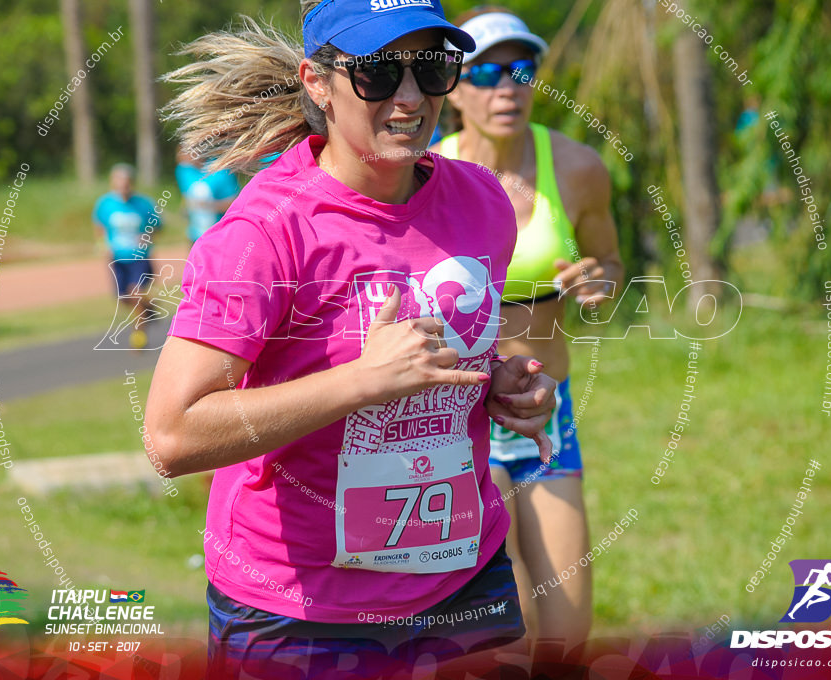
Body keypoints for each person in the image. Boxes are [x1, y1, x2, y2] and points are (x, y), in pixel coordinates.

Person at [148, 0, 561, 676]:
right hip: (303, 609)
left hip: (465, 577)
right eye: (376, 73)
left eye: (431, 68)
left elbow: (448, 360)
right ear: (318, 82)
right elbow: (171, 435)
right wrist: (361, 382)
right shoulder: (266, 233)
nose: (409, 96)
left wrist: (504, 389)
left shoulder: (481, 201)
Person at [431, 7, 625, 649]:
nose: (505, 86)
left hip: (547, 413)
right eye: (484, 72)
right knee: (494, 633)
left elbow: (612, 263)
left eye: (519, 69)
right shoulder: (425, 173)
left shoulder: (576, 168)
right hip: (457, 416)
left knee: (568, 630)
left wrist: (600, 282)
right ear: (454, 88)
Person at [92, 163, 162, 348]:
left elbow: (157, 226)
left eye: (127, 181)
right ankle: (149, 308)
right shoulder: (105, 204)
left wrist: (146, 236)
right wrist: (102, 245)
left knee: (136, 293)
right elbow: (99, 226)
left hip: (139, 258)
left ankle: (139, 336)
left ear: (132, 183)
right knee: (122, 298)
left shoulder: (143, 203)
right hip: (117, 259)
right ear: (113, 182)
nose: (123, 185)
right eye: (119, 181)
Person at [174, 144, 242, 245]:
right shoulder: (183, 171)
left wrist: (209, 206)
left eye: (185, 153)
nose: (180, 157)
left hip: (220, 235)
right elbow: (188, 196)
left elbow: (236, 204)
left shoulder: (221, 170)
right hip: (196, 235)